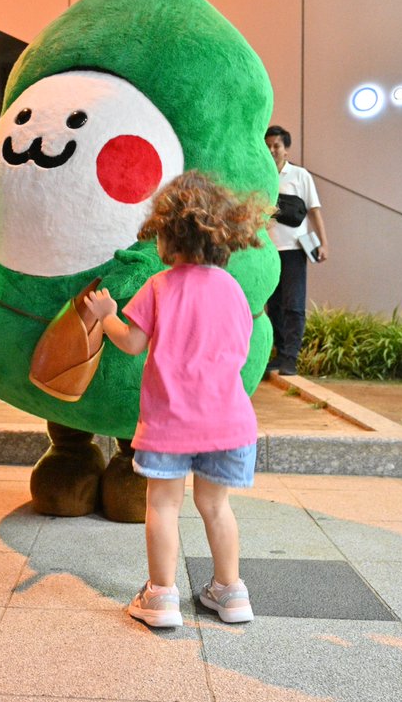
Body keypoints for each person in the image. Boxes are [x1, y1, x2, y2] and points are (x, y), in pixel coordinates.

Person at [83, 171, 267, 627]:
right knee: (216, 506)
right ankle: (231, 592)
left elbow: (131, 343)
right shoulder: (233, 290)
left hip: (170, 424)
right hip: (228, 422)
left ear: (167, 235)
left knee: (163, 505)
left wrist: (106, 315)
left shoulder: (159, 287)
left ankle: (162, 597)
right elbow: (240, 347)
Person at [264, 125, 328, 377]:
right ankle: (280, 355)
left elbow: (314, 210)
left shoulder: (300, 175)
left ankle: (291, 358)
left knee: (294, 305)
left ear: (286, 149)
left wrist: (324, 242)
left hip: (294, 249)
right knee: (274, 305)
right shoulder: (261, 176)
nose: (272, 150)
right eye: (268, 146)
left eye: (276, 146)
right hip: (268, 252)